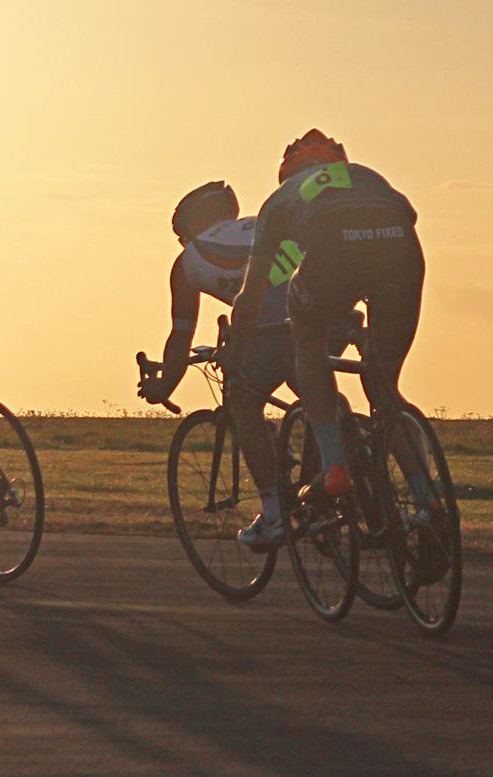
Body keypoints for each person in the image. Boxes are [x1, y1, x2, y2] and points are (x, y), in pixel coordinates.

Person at [227, 129, 427, 550]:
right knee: (384, 386)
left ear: (287, 172)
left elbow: (251, 296)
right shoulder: (364, 174)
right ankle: (428, 506)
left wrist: (238, 344)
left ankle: (335, 465)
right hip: (402, 247)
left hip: (336, 247)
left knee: (307, 342)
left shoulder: (280, 201)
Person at [136, 180, 298, 550]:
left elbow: (181, 336)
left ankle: (275, 514)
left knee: (243, 403)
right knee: (315, 390)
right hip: (323, 299)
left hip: (272, 323)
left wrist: (164, 387)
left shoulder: (188, 260)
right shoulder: (261, 223)